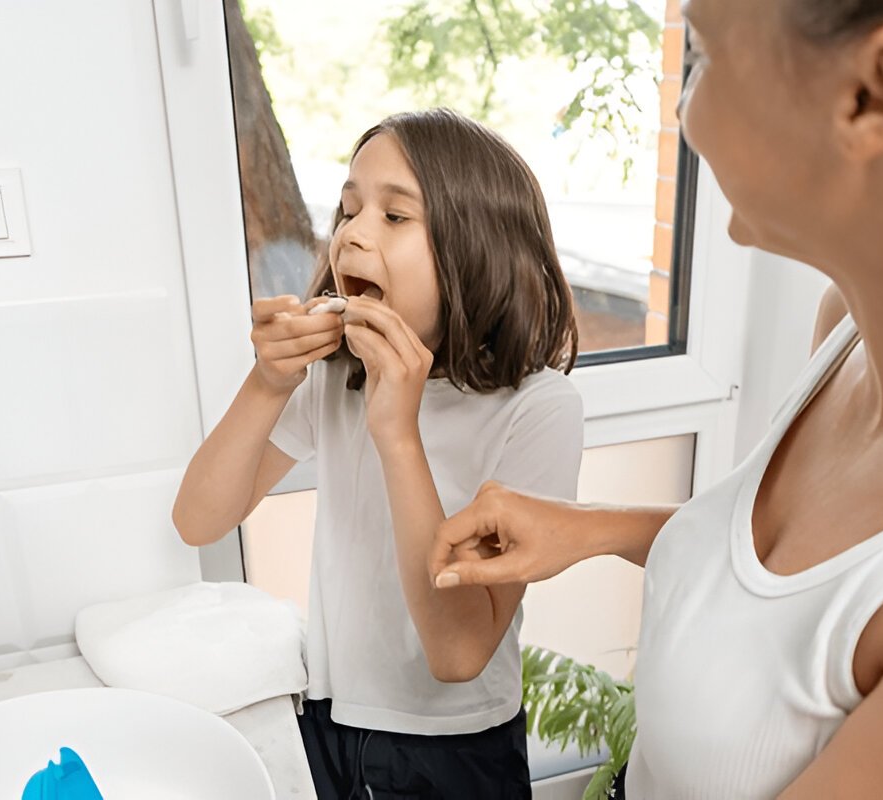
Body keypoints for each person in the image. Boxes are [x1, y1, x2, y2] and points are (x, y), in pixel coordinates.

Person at [430, 0, 883, 797]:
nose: (686, 114)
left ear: (877, 91)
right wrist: (590, 529)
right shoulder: (851, 333)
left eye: (706, 58)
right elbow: (796, 599)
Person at [172, 108, 583, 799]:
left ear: (475, 245)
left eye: (395, 217)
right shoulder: (339, 377)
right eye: (348, 210)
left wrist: (399, 432)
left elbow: (458, 653)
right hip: (329, 720)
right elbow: (199, 519)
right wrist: (267, 384)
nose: (352, 235)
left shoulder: (537, 410)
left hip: (458, 748)